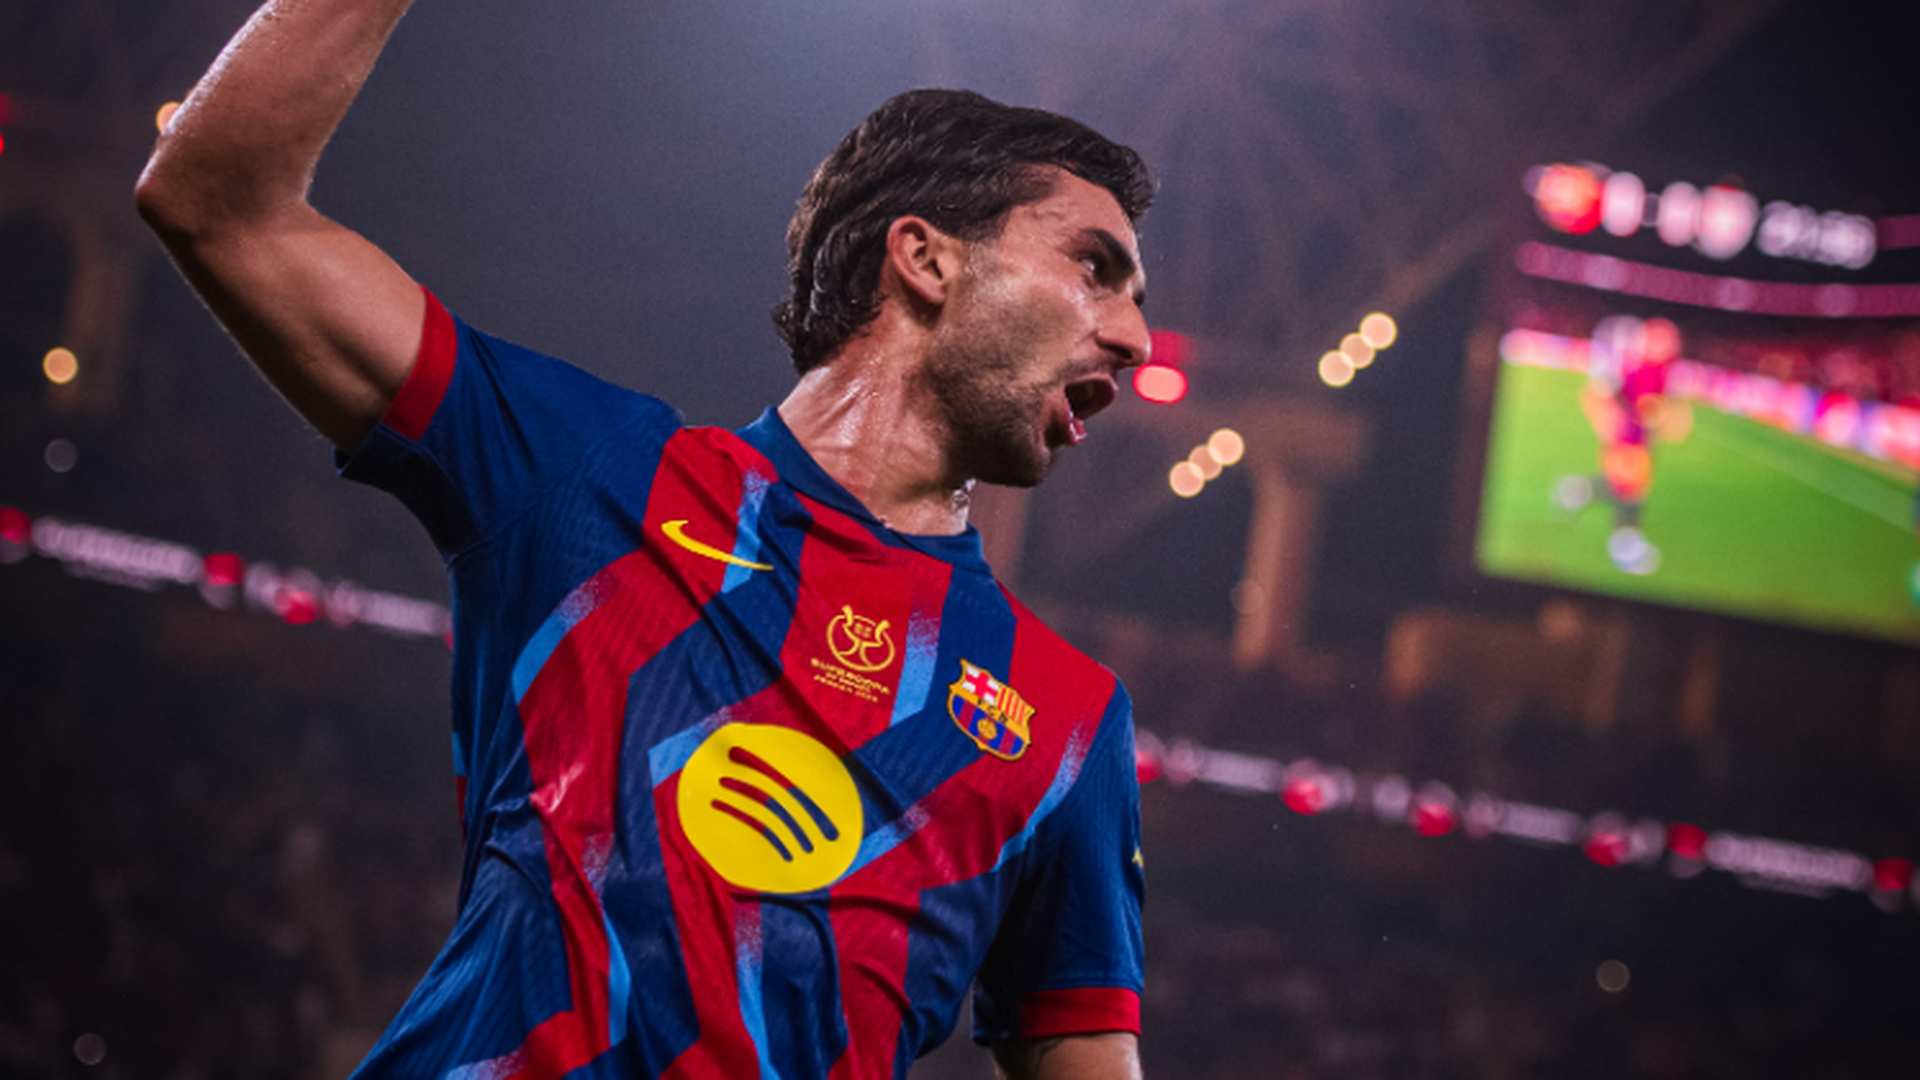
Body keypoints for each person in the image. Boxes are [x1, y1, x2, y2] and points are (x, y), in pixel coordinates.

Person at [136, 3, 1153, 1078]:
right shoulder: (591, 476)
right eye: (1096, 267)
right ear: (925, 259)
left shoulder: (1070, 721)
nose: (1133, 337)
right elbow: (218, 204)